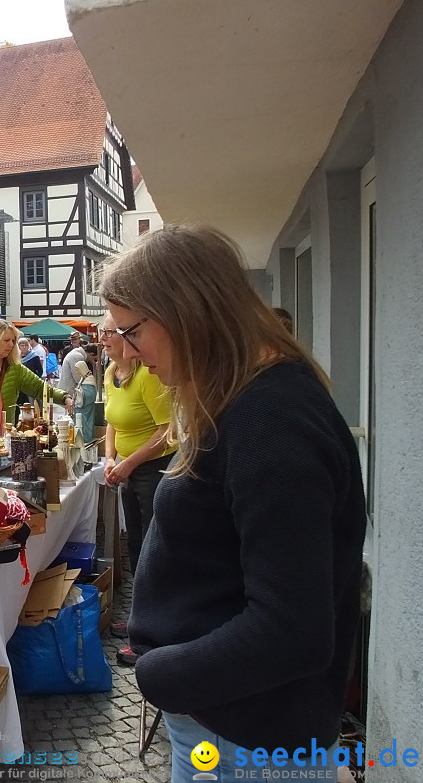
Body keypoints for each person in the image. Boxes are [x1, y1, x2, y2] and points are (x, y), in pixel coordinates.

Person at [102, 225, 365, 782]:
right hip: (233, 726)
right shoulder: (248, 401)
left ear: (183, 314)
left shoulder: (269, 421)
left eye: (131, 331)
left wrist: (162, 673)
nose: (126, 349)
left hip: (245, 737)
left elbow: (292, 629)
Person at [101, 308, 174, 665]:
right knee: (134, 543)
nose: (104, 340)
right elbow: (112, 424)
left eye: (109, 333)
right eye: (102, 334)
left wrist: (129, 463)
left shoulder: (149, 375)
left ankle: (152, 630)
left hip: (152, 469)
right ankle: (139, 620)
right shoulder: (111, 372)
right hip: (128, 470)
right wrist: (111, 458)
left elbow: (167, 430)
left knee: (152, 545)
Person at [0, 319, 69, 455]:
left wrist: (64, 398)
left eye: (13, 341)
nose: (11, 345)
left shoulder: (14, 369)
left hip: (1, 442)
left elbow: (40, 388)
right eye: (6, 340)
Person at [57, 330, 86, 398]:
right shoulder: (67, 349)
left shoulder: (83, 349)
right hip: (69, 378)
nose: (73, 341)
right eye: (72, 339)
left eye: (75, 339)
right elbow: (63, 362)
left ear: (79, 339)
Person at [16, 337, 42, 406]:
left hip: (30, 384)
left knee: (30, 404)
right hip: (19, 385)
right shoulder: (16, 358)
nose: (24, 347)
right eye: (22, 345)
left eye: (26, 345)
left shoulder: (34, 356)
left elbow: (40, 371)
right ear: (18, 346)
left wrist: (34, 380)